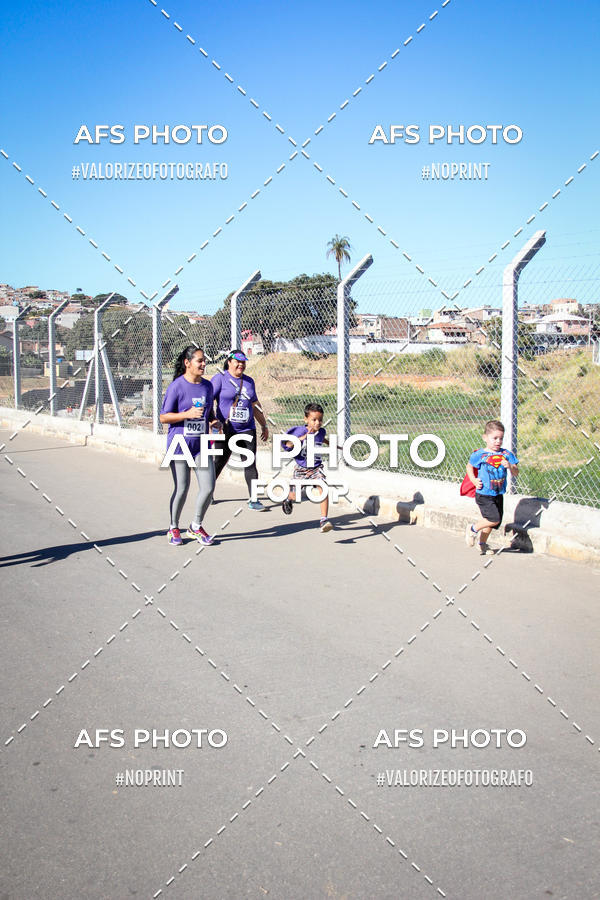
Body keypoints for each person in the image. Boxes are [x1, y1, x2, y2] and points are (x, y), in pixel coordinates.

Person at [160, 346, 219, 546]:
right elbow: (163, 417)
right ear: (187, 363)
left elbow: (209, 413)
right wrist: (187, 414)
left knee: (208, 487)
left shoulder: (208, 386)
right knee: (182, 488)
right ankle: (173, 527)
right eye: (199, 361)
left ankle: (195, 526)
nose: (203, 364)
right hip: (179, 446)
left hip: (201, 445)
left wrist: (214, 421)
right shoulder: (176, 386)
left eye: (204, 361)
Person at [211, 349, 269, 510]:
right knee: (219, 463)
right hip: (226, 429)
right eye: (237, 362)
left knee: (250, 463)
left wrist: (264, 425)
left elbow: (255, 405)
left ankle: (254, 500)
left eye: (243, 362)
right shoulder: (220, 379)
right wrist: (213, 422)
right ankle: (207, 492)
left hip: (247, 429)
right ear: (229, 362)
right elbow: (208, 402)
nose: (241, 365)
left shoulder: (249, 381)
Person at [464, 419, 519, 555]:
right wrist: (474, 480)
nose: (498, 441)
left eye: (501, 438)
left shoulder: (506, 454)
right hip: (484, 493)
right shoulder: (480, 454)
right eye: (494, 438)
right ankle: (472, 529)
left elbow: (516, 472)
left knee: (491, 522)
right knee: (493, 519)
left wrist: (510, 466)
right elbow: (469, 467)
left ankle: (482, 544)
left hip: (498, 493)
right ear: (485, 438)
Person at [281, 402, 333, 533]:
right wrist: (303, 437)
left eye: (320, 420)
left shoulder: (321, 431)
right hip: (301, 468)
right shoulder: (299, 431)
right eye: (314, 420)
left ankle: (324, 519)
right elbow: (287, 445)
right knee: (295, 494)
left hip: (316, 468)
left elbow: (321, 438)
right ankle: (288, 500)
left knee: (323, 487)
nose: (317, 423)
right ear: (306, 419)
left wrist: (331, 443)